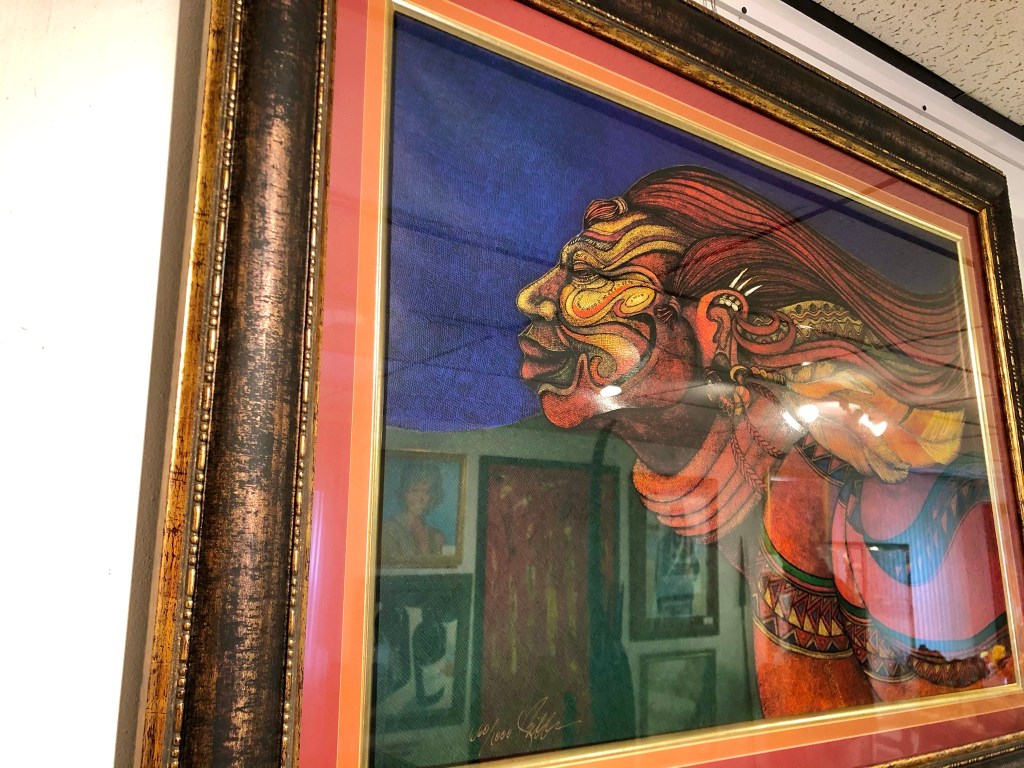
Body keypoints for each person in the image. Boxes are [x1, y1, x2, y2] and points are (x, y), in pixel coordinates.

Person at [517, 166, 1009, 716]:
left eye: (588, 273)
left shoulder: (887, 505)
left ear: (716, 326)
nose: (533, 298)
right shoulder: (791, 500)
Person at [381, 462, 447, 563]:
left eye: (426, 492)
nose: (420, 498)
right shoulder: (389, 530)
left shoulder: (436, 536)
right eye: (415, 491)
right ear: (404, 494)